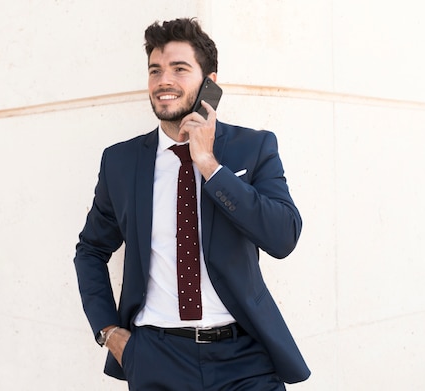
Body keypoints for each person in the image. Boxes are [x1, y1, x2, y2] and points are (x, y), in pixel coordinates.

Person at [74, 18, 310, 390]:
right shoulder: (120, 162)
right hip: (155, 358)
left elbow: (283, 237)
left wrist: (210, 166)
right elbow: (90, 250)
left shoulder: (253, 147)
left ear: (209, 84)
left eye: (179, 69)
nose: (164, 81)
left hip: (245, 359)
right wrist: (108, 332)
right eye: (155, 71)